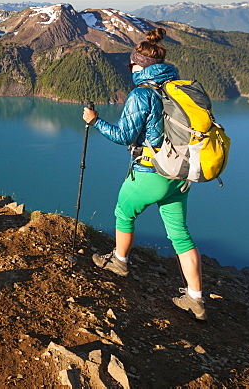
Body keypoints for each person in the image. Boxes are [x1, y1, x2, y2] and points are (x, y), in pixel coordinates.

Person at [81, 27, 207, 321]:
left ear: (140, 65)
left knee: (123, 212)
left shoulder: (142, 94)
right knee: (180, 235)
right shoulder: (178, 88)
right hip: (182, 174)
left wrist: (95, 121)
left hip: (152, 172)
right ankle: (196, 299)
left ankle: (120, 262)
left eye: (131, 64)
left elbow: (124, 135)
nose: (130, 69)